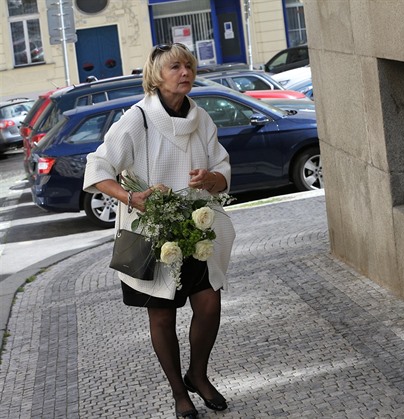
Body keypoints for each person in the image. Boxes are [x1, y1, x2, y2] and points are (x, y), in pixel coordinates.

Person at [83, 43, 235, 419]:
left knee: (209, 303)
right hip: (152, 235)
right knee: (163, 316)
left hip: (197, 231)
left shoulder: (202, 120)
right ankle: (178, 392)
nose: (184, 72)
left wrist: (212, 177)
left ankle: (198, 374)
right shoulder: (137, 119)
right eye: (175, 67)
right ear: (156, 75)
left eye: (189, 66)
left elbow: (223, 170)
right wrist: (132, 198)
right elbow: (98, 167)